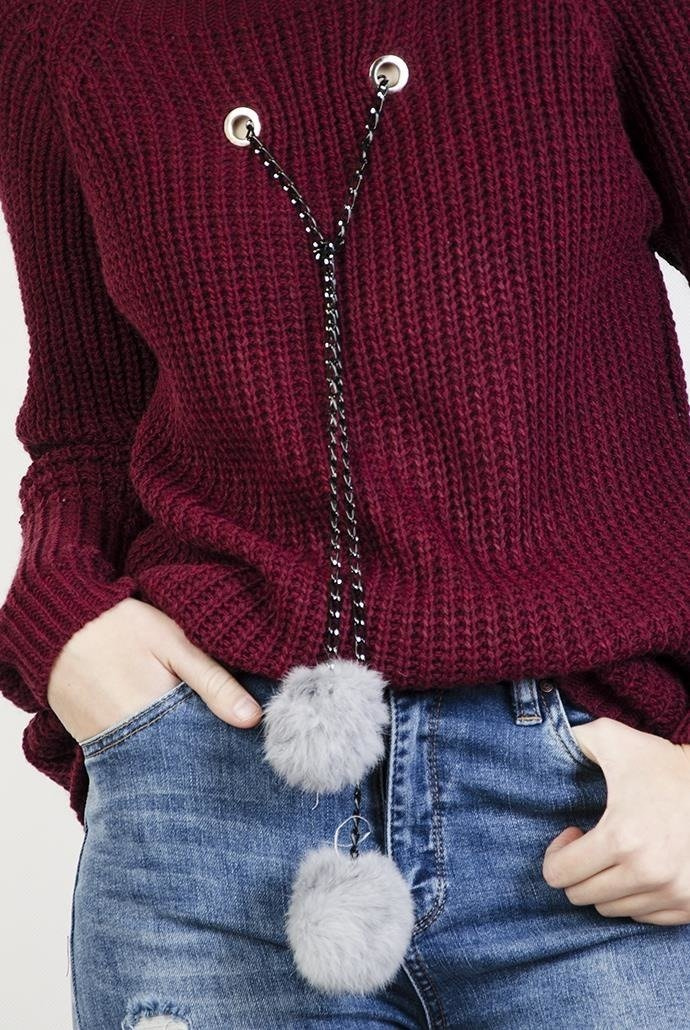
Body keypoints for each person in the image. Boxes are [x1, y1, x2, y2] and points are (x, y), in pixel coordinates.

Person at [0, 0, 689, 1026]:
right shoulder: (61, 25)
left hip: (595, 815)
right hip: (211, 808)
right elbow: (86, 422)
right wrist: (67, 618)